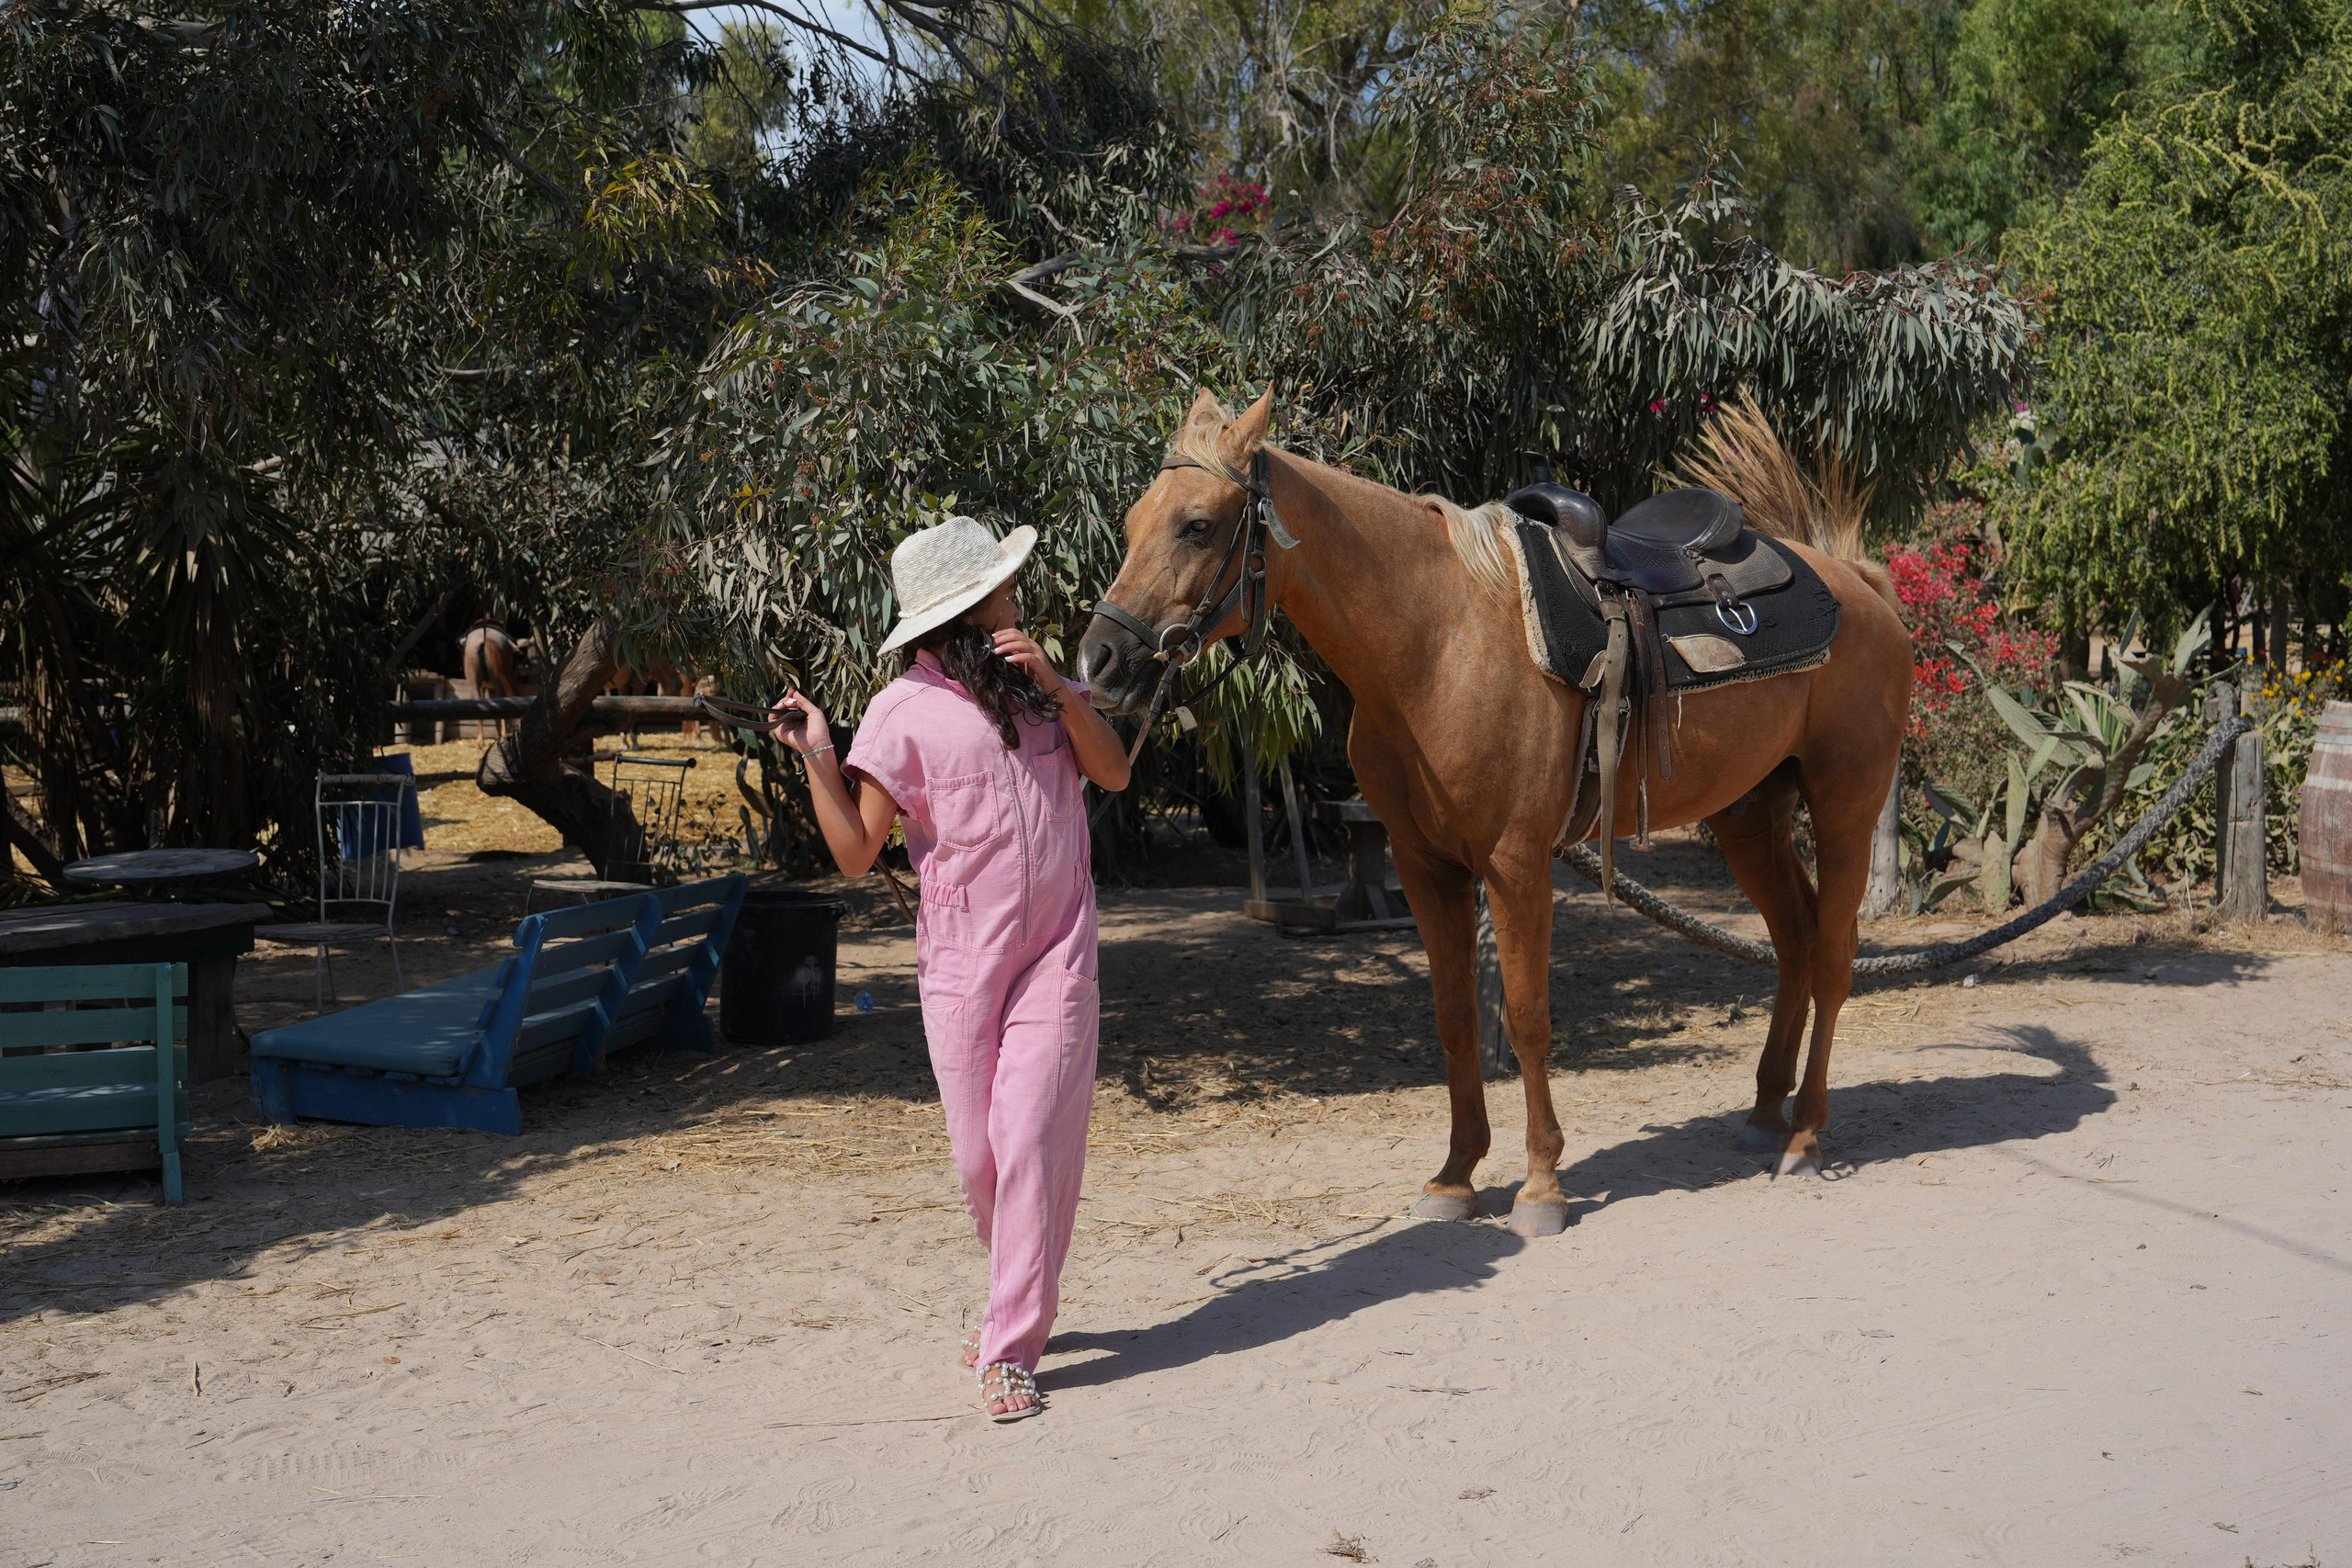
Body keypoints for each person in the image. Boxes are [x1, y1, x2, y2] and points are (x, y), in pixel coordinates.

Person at [767, 516, 1132, 1422]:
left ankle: (1009, 1348)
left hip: (1056, 956)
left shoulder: (1040, 691)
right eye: (1005, 591)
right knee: (980, 1161)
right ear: (968, 611)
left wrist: (1061, 687)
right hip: (963, 968)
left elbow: (1114, 775)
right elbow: (856, 851)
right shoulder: (901, 713)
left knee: (1029, 1138)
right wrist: (818, 749)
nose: (1018, 600)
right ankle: (1018, 1294)